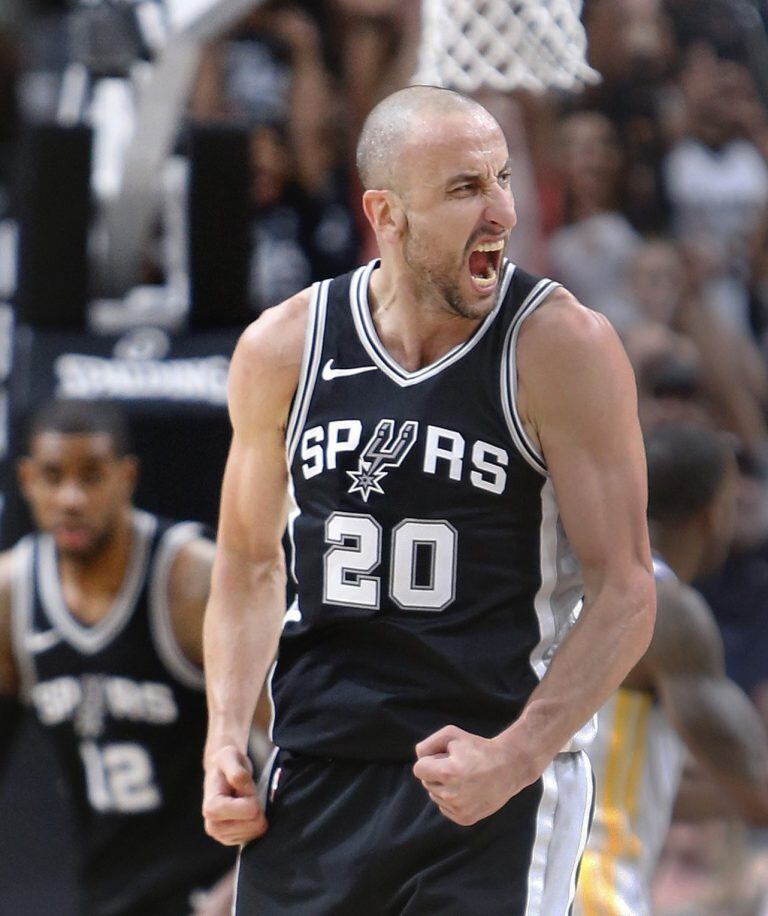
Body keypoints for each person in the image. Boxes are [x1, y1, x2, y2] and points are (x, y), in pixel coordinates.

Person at [202, 85, 656, 914]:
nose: (503, 214)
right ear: (387, 212)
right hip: (313, 780)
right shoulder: (284, 347)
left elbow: (626, 591)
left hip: (488, 783)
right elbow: (246, 562)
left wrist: (518, 758)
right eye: (465, 189)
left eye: (504, 179)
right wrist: (225, 737)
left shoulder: (561, 347)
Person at [0, 399, 236, 916]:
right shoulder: (11, 593)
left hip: (220, 885)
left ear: (126, 476)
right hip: (107, 890)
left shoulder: (190, 581)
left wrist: (239, 891)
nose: (71, 498)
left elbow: (293, 753)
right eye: (52, 476)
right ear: (25, 480)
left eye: (91, 476)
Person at [575, 424, 768, 916]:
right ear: (713, 513)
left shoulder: (567, 578)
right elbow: (754, 786)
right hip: (597, 885)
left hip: (529, 875)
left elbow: (668, 788)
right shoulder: (669, 612)